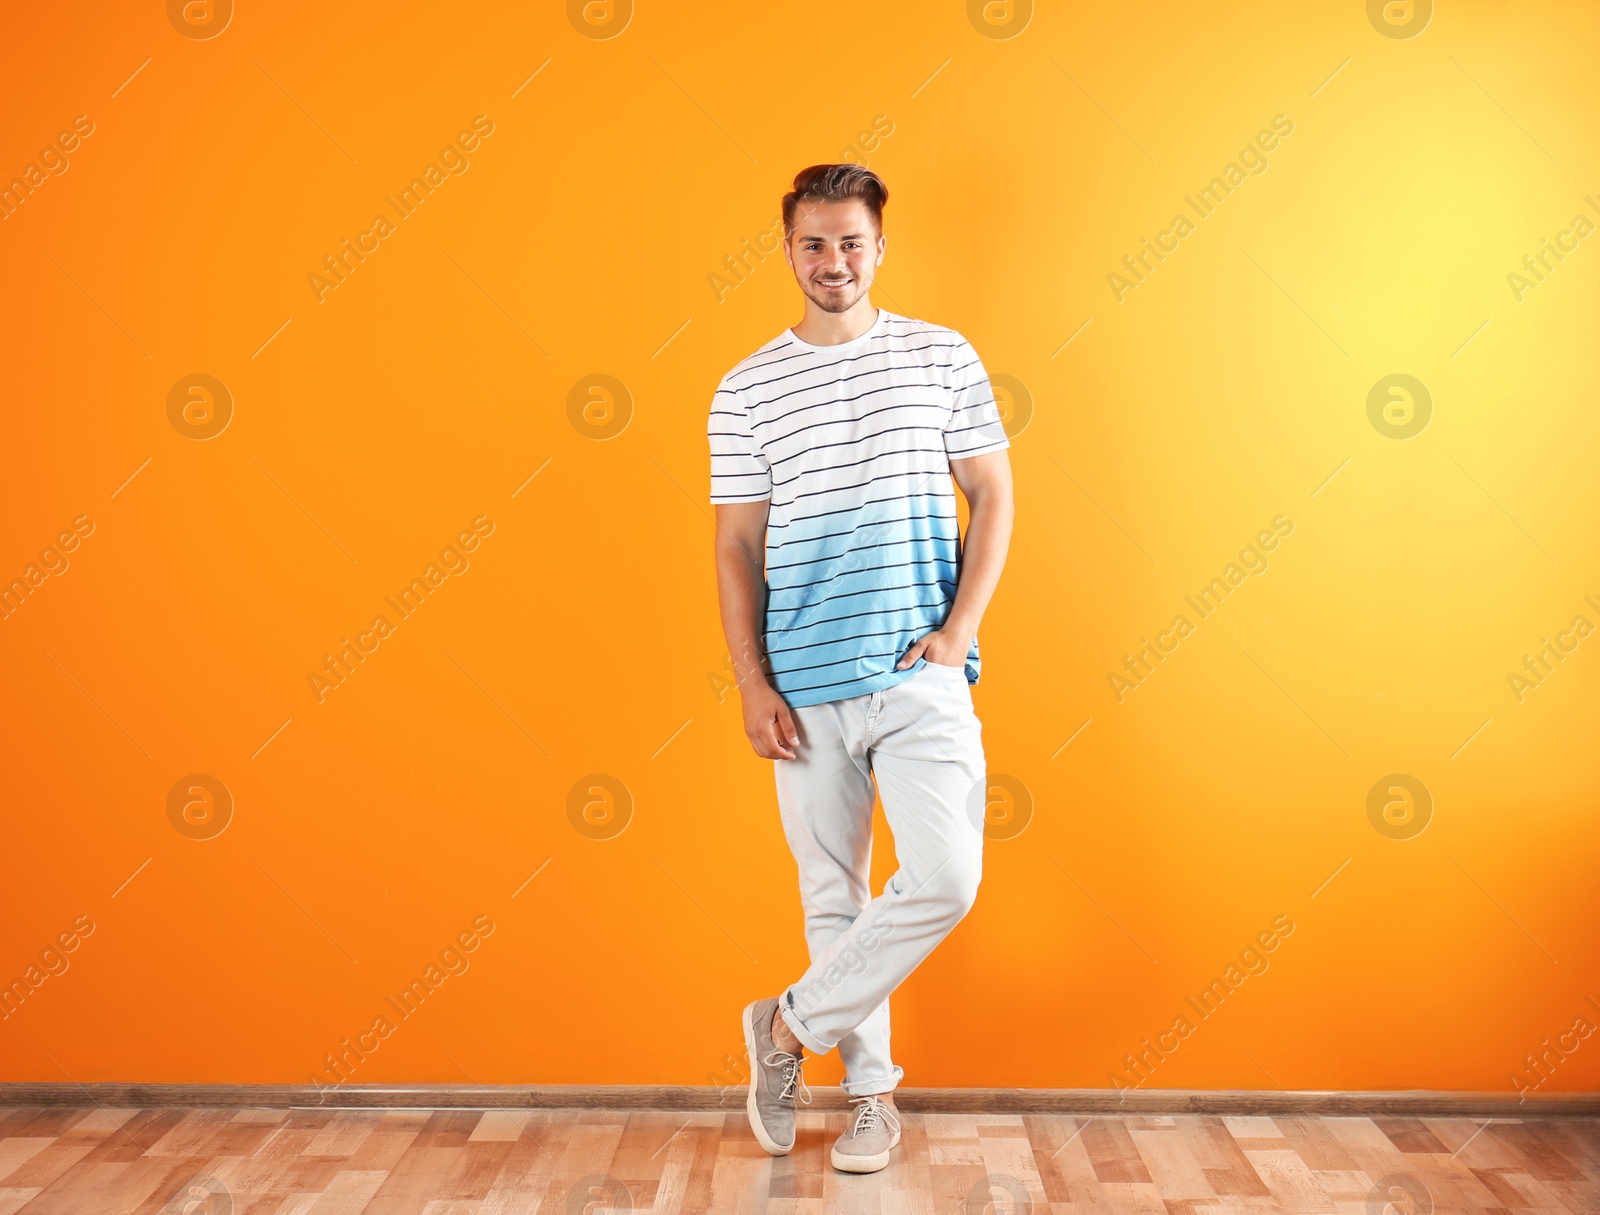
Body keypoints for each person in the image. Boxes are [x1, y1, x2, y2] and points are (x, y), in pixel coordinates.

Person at [707, 163, 1015, 1174]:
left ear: (880, 247)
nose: (832, 260)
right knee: (832, 896)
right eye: (813, 243)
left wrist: (959, 631)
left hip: (918, 671)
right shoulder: (746, 386)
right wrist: (751, 683)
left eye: (850, 241)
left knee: (945, 877)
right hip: (802, 688)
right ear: (786, 250)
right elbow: (736, 547)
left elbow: (993, 496)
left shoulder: (940, 356)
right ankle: (870, 1098)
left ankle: (785, 1026)